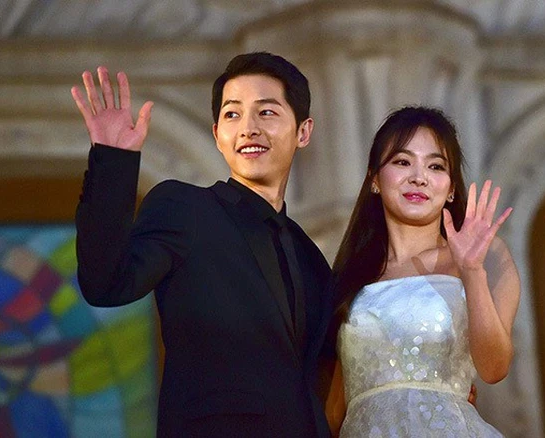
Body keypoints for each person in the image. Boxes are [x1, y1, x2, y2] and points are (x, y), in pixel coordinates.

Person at [72, 52, 334, 437]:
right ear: (216, 135)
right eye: (232, 114)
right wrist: (113, 161)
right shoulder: (185, 209)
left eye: (266, 112)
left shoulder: (310, 257)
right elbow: (105, 284)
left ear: (303, 131)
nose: (248, 128)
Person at [326, 106, 521, 437]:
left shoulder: (486, 256)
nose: (419, 177)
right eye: (402, 162)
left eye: (436, 166)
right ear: (375, 179)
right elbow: (335, 409)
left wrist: (471, 271)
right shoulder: (350, 277)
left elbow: (494, 368)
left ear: (451, 188)